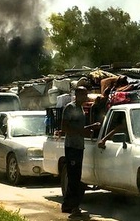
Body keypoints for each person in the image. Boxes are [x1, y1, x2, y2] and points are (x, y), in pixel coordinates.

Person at [60, 86, 101, 219]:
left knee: (76, 176)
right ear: (76, 95)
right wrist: (82, 132)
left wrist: (90, 127)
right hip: (71, 147)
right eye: (83, 94)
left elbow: (79, 128)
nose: (85, 96)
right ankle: (74, 208)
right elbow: (64, 127)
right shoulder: (70, 108)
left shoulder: (81, 109)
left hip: (79, 146)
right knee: (74, 178)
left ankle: (67, 205)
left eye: (86, 94)